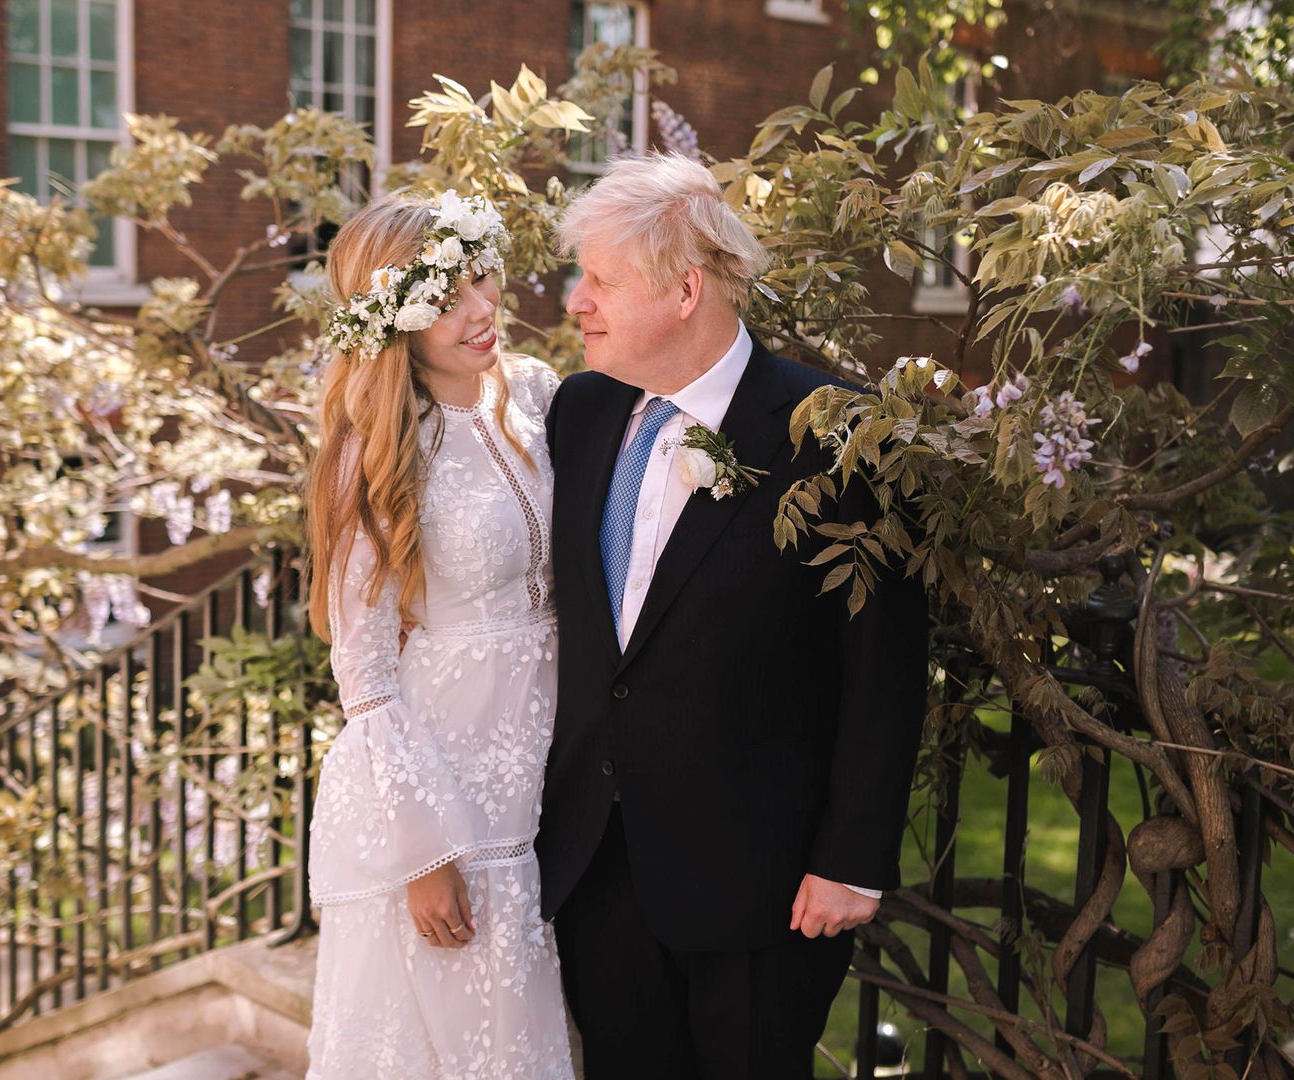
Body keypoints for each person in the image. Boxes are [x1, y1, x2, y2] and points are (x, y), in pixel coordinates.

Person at [536, 152, 930, 1079]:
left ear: (684, 289)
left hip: (765, 885)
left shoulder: (837, 433)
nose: (575, 302)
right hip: (600, 865)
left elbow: (884, 664)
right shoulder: (581, 412)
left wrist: (852, 859)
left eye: (599, 280)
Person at [301, 190, 575, 1080]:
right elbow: (367, 671)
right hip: (449, 779)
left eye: (483, 280)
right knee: (467, 1038)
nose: (482, 309)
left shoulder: (540, 396)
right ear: (398, 318)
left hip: (555, 753)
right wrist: (425, 853)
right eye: (448, 297)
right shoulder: (376, 447)